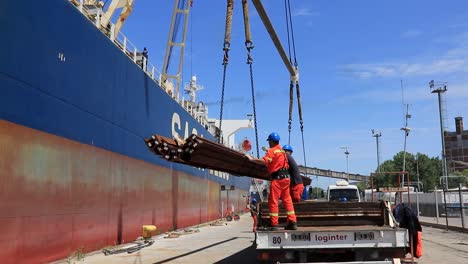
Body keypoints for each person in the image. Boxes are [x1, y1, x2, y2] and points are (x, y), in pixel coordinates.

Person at [249, 132, 297, 230]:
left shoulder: (272, 151)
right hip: (286, 178)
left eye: (269, 142)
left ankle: (274, 224)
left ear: (271, 141)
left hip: (278, 179)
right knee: (287, 200)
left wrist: (253, 159)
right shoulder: (282, 151)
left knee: (273, 201)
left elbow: (265, 161)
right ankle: (292, 222)